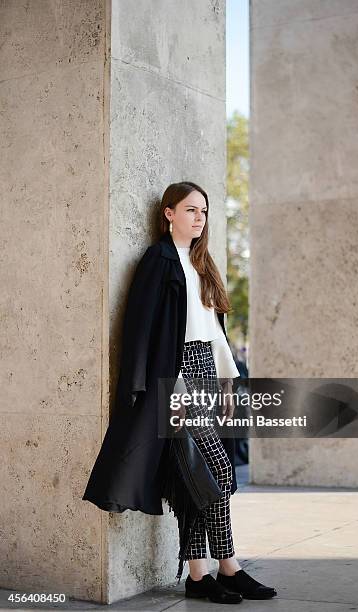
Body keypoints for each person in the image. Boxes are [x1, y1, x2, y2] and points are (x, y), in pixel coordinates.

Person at [82, 181, 277, 604]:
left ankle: (198, 576)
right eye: (191, 210)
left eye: (203, 212)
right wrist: (139, 386)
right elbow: (139, 326)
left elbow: (215, 331)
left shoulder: (203, 263)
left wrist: (228, 382)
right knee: (220, 470)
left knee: (195, 478)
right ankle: (229, 566)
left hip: (207, 368)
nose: (199, 218)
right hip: (176, 374)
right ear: (169, 213)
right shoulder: (160, 260)